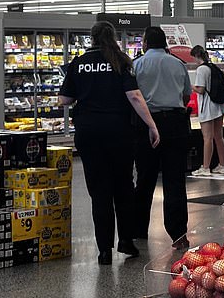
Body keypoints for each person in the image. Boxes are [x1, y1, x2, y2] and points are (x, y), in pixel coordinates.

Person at [59, 21, 160, 266]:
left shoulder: (78, 63)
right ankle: (125, 240)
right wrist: (151, 125)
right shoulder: (121, 61)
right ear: (112, 37)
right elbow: (134, 96)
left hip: (88, 133)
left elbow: (64, 99)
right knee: (123, 187)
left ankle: (104, 250)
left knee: (99, 192)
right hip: (119, 133)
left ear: (91, 38)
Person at [133, 27, 192, 250]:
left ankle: (138, 230)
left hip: (146, 124)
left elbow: (133, 97)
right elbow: (186, 95)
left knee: (145, 179)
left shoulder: (137, 65)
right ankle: (178, 234)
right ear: (164, 43)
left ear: (146, 42)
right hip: (175, 124)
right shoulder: (177, 64)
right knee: (175, 180)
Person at [190, 45, 224, 176]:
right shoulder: (213, 67)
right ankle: (222, 165)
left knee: (207, 138)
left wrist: (190, 86)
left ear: (196, 56)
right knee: (219, 136)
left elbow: (200, 89)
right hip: (219, 105)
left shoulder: (201, 69)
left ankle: (205, 167)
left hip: (207, 106)